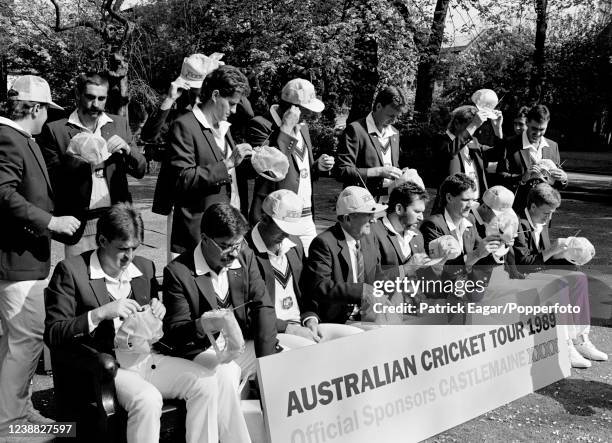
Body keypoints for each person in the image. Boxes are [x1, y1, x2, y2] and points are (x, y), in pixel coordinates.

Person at [44, 204, 250, 443]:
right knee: (147, 399)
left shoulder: (143, 267)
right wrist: (100, 314)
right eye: (122, 249)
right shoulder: (71, 271)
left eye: (134, 248)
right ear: (102, 240)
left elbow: (158, 335)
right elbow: (53, 333)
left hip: (146, 358)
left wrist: (156, 314)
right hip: (107, 367)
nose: (129, 257)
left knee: (206, 383)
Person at [0, 75, 80, 440]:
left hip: (22, 261)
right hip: (19, 264)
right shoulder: (9, 138)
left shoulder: (19, 138)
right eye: (46, 110)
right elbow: (3, 194)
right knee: (27, 339)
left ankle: (16, 409)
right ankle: (11, 422)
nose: (47, 118)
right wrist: (51, 221)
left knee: (12, 341)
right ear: (33, 108)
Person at [163, 202, 279, 377]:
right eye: (225, 246)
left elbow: (263, 307)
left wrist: (267, 362)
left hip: (241, 345)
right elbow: (176, 332)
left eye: (237, 245)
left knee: (291, 356)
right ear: (204, 238)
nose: (233, 253)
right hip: (202, 351)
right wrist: (202, 325)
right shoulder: (178, 272)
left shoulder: (244, 256)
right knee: (227, 373)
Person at [39, 72, 146, 257]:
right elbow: (51, 180)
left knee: (118, 279)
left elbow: (141, 170)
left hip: (117, 220)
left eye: (101, 98)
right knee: (83, 281)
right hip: (80, 223)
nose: (96, 104)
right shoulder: (56, 130)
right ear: (77, 94)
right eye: (90, 97)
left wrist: (129, 151)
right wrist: (74, 159)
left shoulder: (119, 124)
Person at [245, 189, 362, 348]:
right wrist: (288, 328)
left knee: (357, 339)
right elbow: (246, 312)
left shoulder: (295, 246)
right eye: (282, 228)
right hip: (270, 331)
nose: (287, 235)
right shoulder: (244, 253)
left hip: (301, 325)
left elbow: (307, 290)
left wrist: (311, 318)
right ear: (264, 219)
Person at [513, 183, 608, 368]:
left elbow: (543, 255)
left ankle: (580, 339)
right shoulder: (518, 223)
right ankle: (564, 345)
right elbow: (522, 264)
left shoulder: (541, 220)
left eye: (552, 213)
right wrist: (552, 251)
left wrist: (566, 255)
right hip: (518, 276)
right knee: (561, 283)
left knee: (578, 277)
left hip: (537, 271)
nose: (549, 217)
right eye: (546, 213)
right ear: (532, 206)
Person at [167, 65, 253, 257]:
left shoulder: (224, 127)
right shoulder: (184, 125)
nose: (234, 110)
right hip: (198, 235)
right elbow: (183, 178)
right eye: (231, 103)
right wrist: (228, 164)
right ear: (215, 95)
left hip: (229, 232)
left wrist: (255, 162)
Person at [303, 186, 413, 324]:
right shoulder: (324, 243)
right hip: (339, 320)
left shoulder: (369, 238)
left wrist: (403, 278)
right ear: (348, 218)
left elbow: (378, 276)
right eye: (368, 214)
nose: (373, 220)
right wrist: (362, 291)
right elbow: (322, 287)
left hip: (370, 315)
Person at [246, 78, 334, 252]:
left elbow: (300, 169)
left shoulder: (303, 127)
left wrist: (317, 167)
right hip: (278, 218)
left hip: (306, 216)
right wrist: (285, 128)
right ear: (293, 108)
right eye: (307, 111)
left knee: (312, 268)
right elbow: (271, 169)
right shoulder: (260, 126)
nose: (311, 116)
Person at [420, 173, 502, 295]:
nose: (470, 205)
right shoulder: (432, 225)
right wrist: (477, 254)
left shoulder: (470, 219)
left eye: (473, 200)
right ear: (449, 198)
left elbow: (481, 258)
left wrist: (497, 249)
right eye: (465, 200)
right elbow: (444, 270)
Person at [335, 86, 408, 202]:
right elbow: (341, 171)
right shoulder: (356, 130)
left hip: (389, 205)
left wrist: (400, 173)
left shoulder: (394, 133)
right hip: (362, 204)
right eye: (391, 115)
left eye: (397, 116)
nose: (394, 121)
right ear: (378, 106)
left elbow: (392, 166)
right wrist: (378, 171)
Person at [434, 105, 503, 202]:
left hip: (476, 203)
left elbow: (498, 154)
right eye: (470, 126)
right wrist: (474, 125)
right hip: (453, 204)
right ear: (457, 123)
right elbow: (450, 152)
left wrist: (497, 129)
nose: (474, 131)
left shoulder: (473, 141)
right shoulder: (441, 140)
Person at [496, 104, 568, 192]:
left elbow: (558, 185)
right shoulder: (509, 144)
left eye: (542, 130)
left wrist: (563, 179)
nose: (537, 133)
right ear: (527, 122)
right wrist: (522, 178)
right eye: (534, 128)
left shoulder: (553, 146)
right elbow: (500, 177)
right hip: (518, 203)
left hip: (545, 204)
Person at [371, 181, 429, 267]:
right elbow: (372, 276)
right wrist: (407, 268)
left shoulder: (418, 236)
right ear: (399, 209)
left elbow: (425, 274)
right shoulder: (373, 232)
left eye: (422, 212)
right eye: (417, 211)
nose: (421, 218)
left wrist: (441, 258)